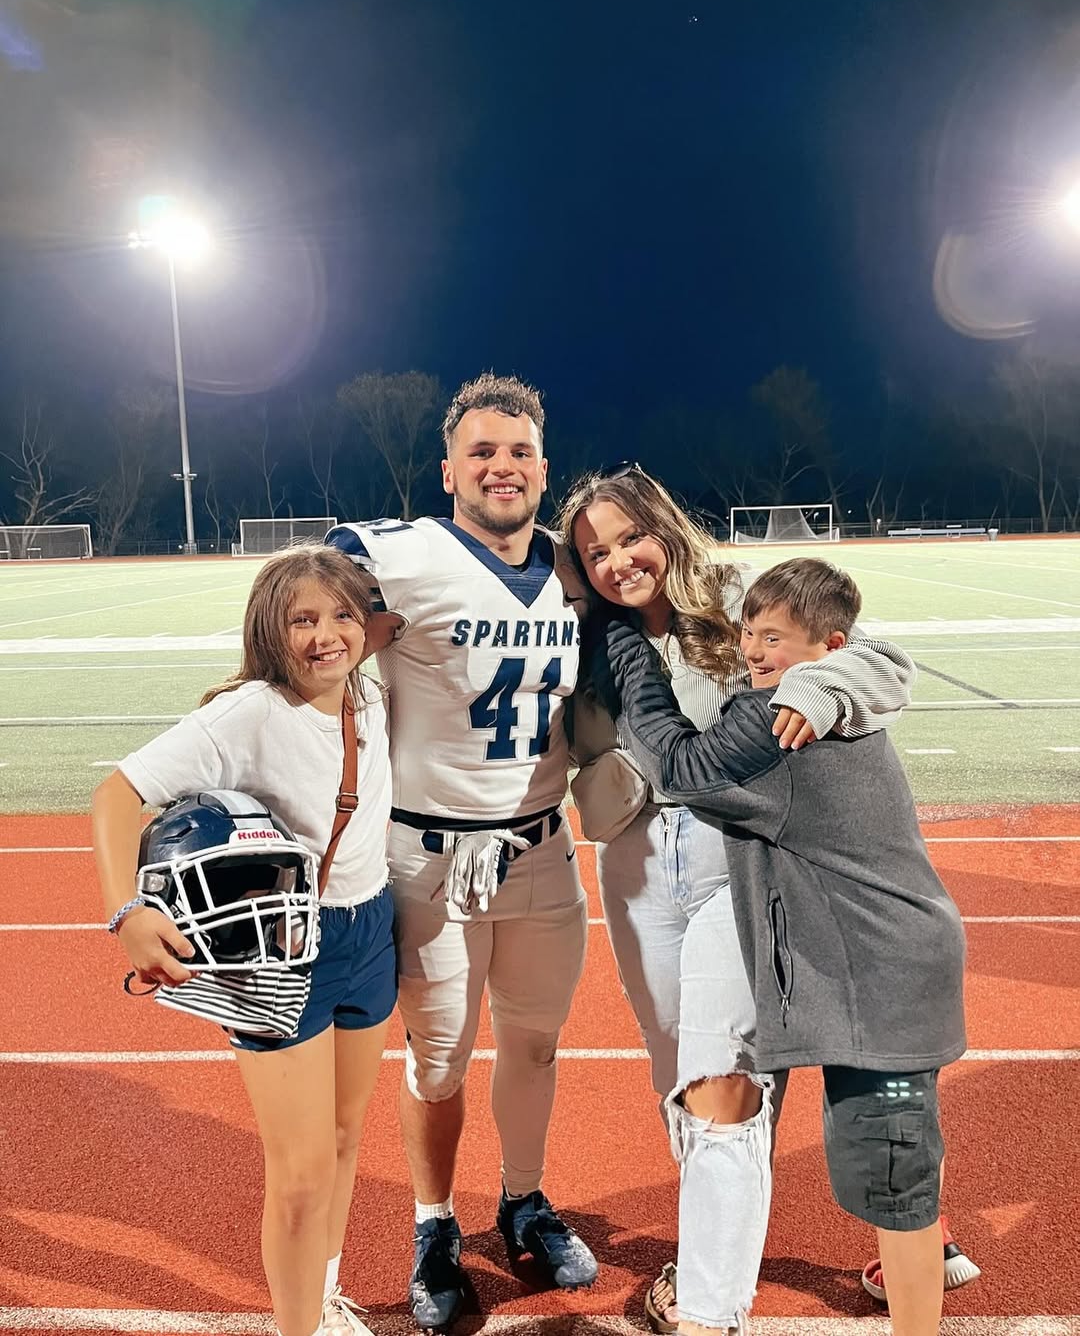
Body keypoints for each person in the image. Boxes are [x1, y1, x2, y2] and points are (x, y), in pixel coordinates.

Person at [558, 466, 977, 1335]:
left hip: (739, 848)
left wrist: (822, 687)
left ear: (666, 527)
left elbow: (879, 660)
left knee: (726, 1078)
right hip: (638, 856)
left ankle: (716, 1304)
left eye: (631, 537)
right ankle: (732, 1248)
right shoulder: (586, 633)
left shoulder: (735, 596)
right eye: (596, 553)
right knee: (682, 1077)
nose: (618, 561)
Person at [327, 374, 597, 1331]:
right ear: (448, 470)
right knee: (438, 1062)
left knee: (535, 1041)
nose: (502, 467)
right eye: (482, 451)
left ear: (544, 468)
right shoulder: (396, 555)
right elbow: (302, 609)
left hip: (544, 850)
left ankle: (522, 1198)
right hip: (431, 859)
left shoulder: (575, 567)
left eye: (519, 452)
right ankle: (433, 1222)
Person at [92, 545, 395, 1336]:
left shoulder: (373, 693)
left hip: (371, 928)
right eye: (303, 620)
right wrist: (128, 913)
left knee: (343, 1139)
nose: (326, 635)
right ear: (269, 630)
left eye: (342, 615)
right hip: (282, 946)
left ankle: (323, 1300)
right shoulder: (250, 713)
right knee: (299, 1174)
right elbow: (117, 796)